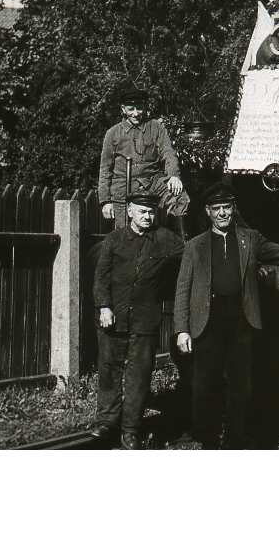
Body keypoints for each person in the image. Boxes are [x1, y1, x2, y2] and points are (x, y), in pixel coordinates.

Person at [174, 182, 279, 449]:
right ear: (208, 212)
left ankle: (236, 443)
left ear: (234, 209)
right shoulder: (195, 246)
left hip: (241, 321)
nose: (223, 213)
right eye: (217, 209)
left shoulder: (250, 239)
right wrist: (181, 329)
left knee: (242, 388)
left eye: (227, 207)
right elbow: (183, 289)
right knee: (205, 389)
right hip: (207, 322)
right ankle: (205, 440)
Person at [89, 192, 185, 449]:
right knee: (110, 369)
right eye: (142, 211)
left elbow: (189, 256)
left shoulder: (166, 240)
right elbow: (101, 278)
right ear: (129, 211)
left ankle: (130, 429)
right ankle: (106, 421)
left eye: (151, 212)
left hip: (145, 321)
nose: (147, 216)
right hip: (113, 317)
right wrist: (104, 307)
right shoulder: (115, 240)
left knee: (139, 376)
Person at [98, 85, 189, 229]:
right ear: (123, 109)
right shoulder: (113, 133)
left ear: (145, 107)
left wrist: (174, 176)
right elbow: (105, 169)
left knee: (179, 197)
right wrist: (105, 201)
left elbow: (168, 153)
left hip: (152, 181)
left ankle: (180, 246)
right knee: (125, 231)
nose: (135, 113)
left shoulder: (156, 128)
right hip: (123, 188)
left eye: (139, 108)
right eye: (130, 109)